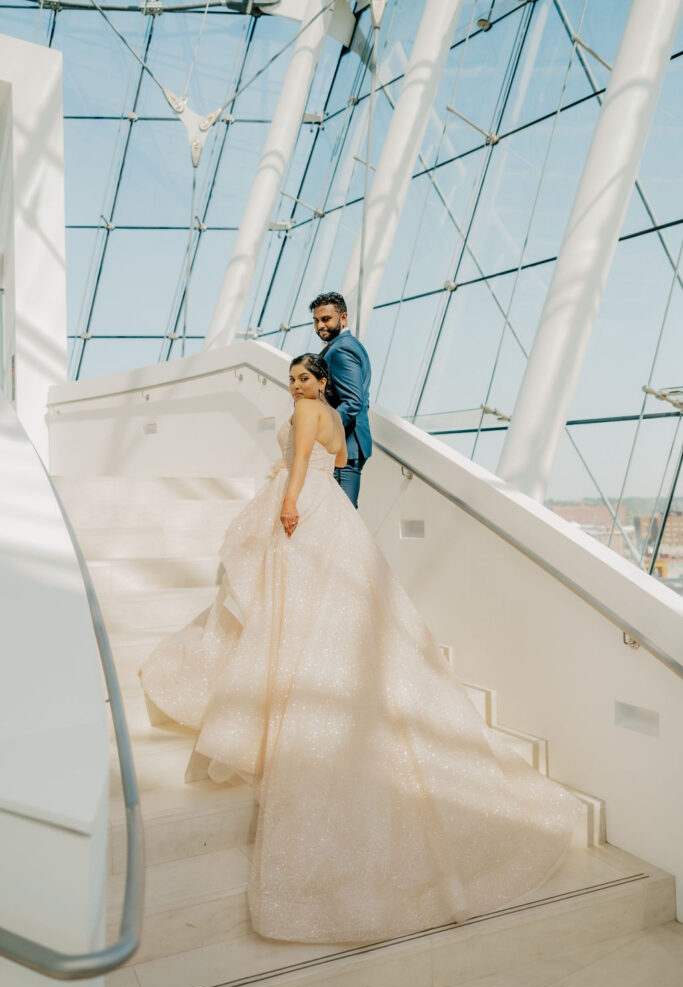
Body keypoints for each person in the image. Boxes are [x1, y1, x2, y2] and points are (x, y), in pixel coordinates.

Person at [139, 352, 581, 944]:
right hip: (335, 514)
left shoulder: (301, 413)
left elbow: (299, 461)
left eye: (304, 378)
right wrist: (306, 487)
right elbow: (340, 459)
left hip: (305, 510)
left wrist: (288, 500)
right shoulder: (334, 417)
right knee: (328, 611)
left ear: (321, 380)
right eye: (291, 379)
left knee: (295, 608)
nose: (295, 386)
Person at [309, 292, 371, 508]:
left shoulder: (341, 349)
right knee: (338, 516)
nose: (319, 326)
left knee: (341, 516)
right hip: (348, 444)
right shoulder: (345, 346)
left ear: (343, 318)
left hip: (346, 447)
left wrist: (321, 430)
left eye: (326, 319)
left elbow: (354, 401)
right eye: (316, 321)